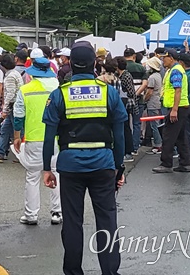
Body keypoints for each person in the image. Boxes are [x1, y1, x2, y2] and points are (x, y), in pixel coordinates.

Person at [42, 41, 127, 275]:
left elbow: (49, 137)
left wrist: (46, 168)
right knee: (107, 220)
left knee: (72, 222)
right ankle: (110, 271)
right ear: (94, 64)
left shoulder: (59, 95)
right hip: (103, 163)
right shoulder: (109, 92)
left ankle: (73, 271)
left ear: (70, 64)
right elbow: (119, 136)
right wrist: (119, 168)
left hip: (70, 165)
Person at [14, 57, 62, 226]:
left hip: (34, 138)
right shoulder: (58, 87)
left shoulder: (26, 89)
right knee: (56, 173)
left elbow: (18, 116)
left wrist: (17, 137)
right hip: (56, 138)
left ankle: (31, 214)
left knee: (32, 177)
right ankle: (57, 212)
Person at [152, 48, 190, 173]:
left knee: (168, 136)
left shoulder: (175, 71)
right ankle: (185, 163)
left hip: (177, 108)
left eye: (165, 57)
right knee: (181, 137)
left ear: (172, 58)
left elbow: (177, 90)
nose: (163, 60)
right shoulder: (174, 70)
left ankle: (166, 164)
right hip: (181, 107)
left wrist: (174, 110)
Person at [0, 54, 23, 161]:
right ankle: (1, 151)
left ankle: (21, 153)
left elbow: (10, 94)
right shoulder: (15, 73)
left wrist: (4, 110)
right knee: (5, 129)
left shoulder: (9, 77)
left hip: (13, 106)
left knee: (17, 130)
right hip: (15, 105)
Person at [124, 48, 148, 156]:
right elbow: (145, 84)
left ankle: (127, 147)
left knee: (125, 123)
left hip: (124, 99)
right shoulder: (141, 68)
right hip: (139, 99)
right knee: (136, 123)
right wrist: (136, 94)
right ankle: (135, 147)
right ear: (134, 56)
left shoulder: (121, 67)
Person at [115, 56, 137, 163]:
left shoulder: (126, 75)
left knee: (126, 127)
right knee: (125, 127)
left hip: (126, 103)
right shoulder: (120, 75)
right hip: (123, 103)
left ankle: (129, 151)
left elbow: (131, 91)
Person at [143, 57, 163, 153]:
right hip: (158, 102)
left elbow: (149, 92)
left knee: (154, 125)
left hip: (152, 103)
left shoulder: (152, 78)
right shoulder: (159, 76)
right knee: (158, 124)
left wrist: (144, 99)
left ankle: (158, 145)